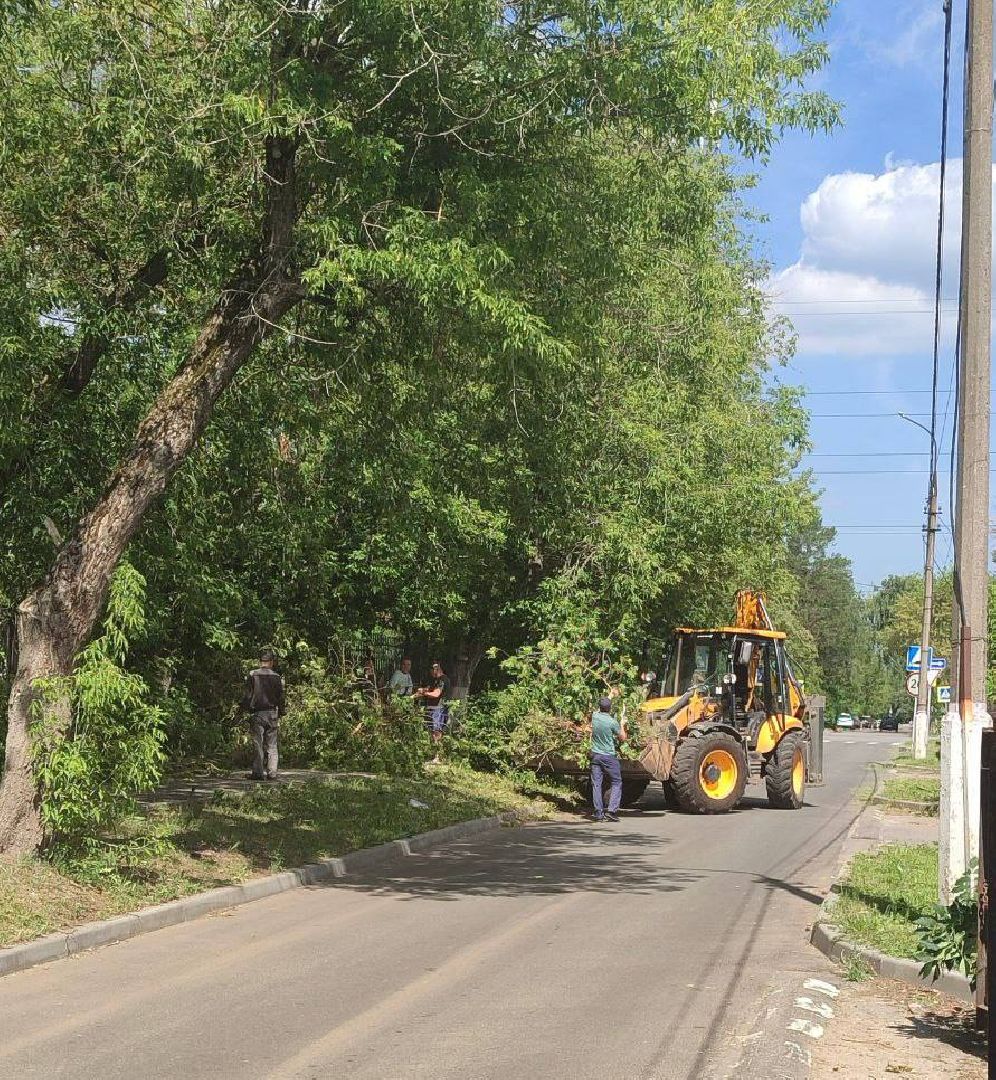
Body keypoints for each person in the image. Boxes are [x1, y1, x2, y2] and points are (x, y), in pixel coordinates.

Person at [242, 648, 285, 781]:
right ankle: (272, 773)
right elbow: (281, 698)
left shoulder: (252, 675)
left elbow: (247, 695)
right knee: (272, 745)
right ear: (271, 662)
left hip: (257, 713)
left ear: (260, 661)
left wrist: (244, 709)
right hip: (272, 713)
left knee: (258, 743)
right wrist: (282, 712)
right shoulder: (277, 678)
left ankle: (258, 773)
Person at [589, 695, 627, 822]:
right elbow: (622, 738)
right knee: (616, 782)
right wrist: (622, 724)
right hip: (608, 756)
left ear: (599, 707)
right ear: (610, 708)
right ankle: (612, 811)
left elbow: (596, 709)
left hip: (595, 755)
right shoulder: (612, 722)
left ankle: (598, 813)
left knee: (596, 784)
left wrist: (610, 694)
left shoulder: (594, 716)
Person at [415, 661, 451, 764]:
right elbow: (429, 689)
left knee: (437, 731)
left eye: (432, 670)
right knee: (432, 732)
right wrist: (421, 691)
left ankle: (437, 757)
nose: (431, 672)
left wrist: (425, 693)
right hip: (433, 708)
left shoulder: (443, 680)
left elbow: (436, 694)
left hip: (439, 709)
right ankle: (434, 755)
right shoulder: (436, 680)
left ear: (437, 669)